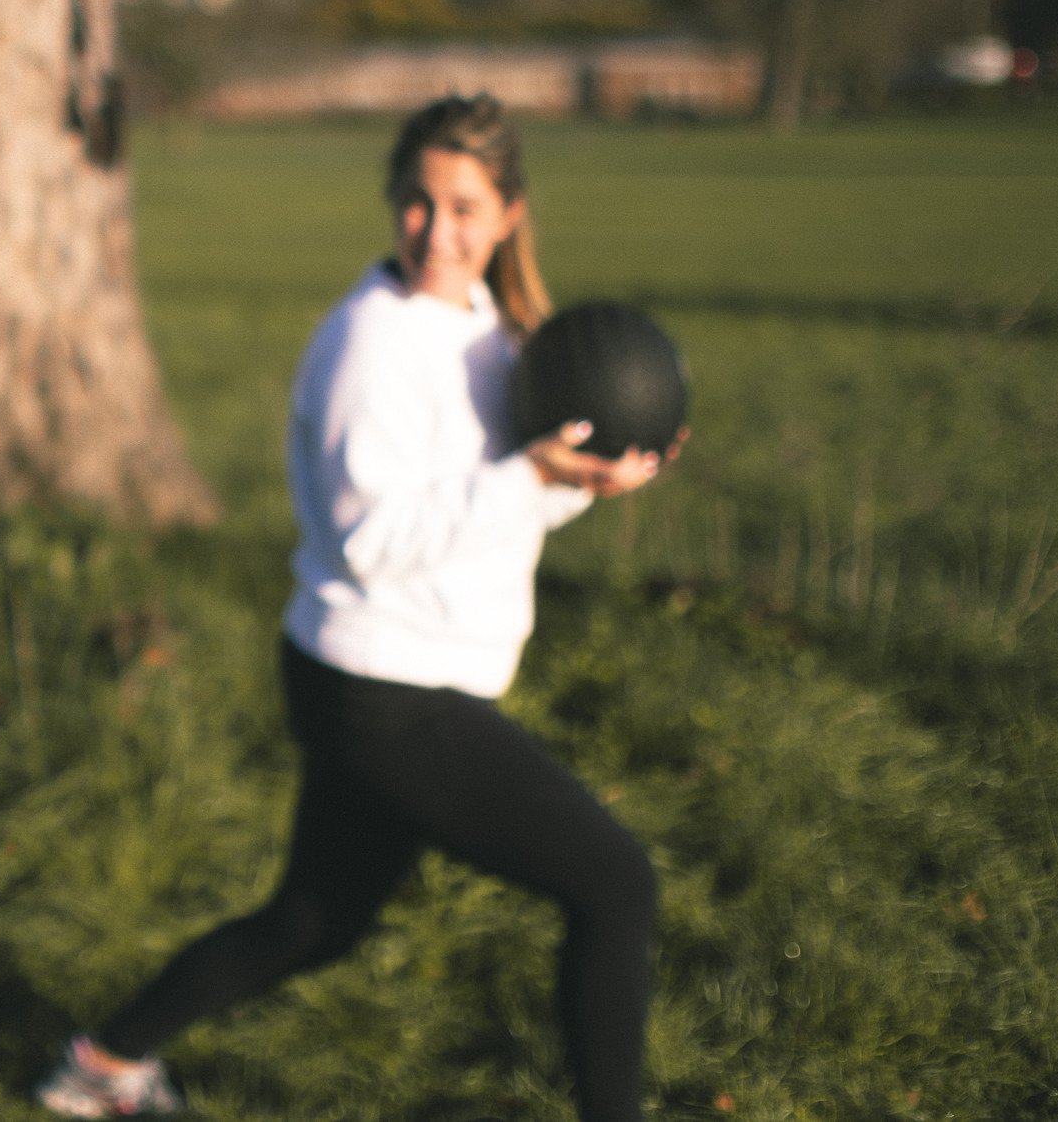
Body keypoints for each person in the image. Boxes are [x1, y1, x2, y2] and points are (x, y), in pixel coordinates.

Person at [38, 94, 679, 1122]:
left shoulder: (489, 327)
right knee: (616, 885)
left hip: (394, 677)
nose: (437, 228)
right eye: (417, 202)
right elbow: (372, 543)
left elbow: (484, 509)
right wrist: (528, 475)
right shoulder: (368, 342)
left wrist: (584, 479)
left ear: (510, 212)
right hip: (383, 691)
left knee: (313, 917)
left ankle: (100, 1065)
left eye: (464, 206)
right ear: (391, 200)